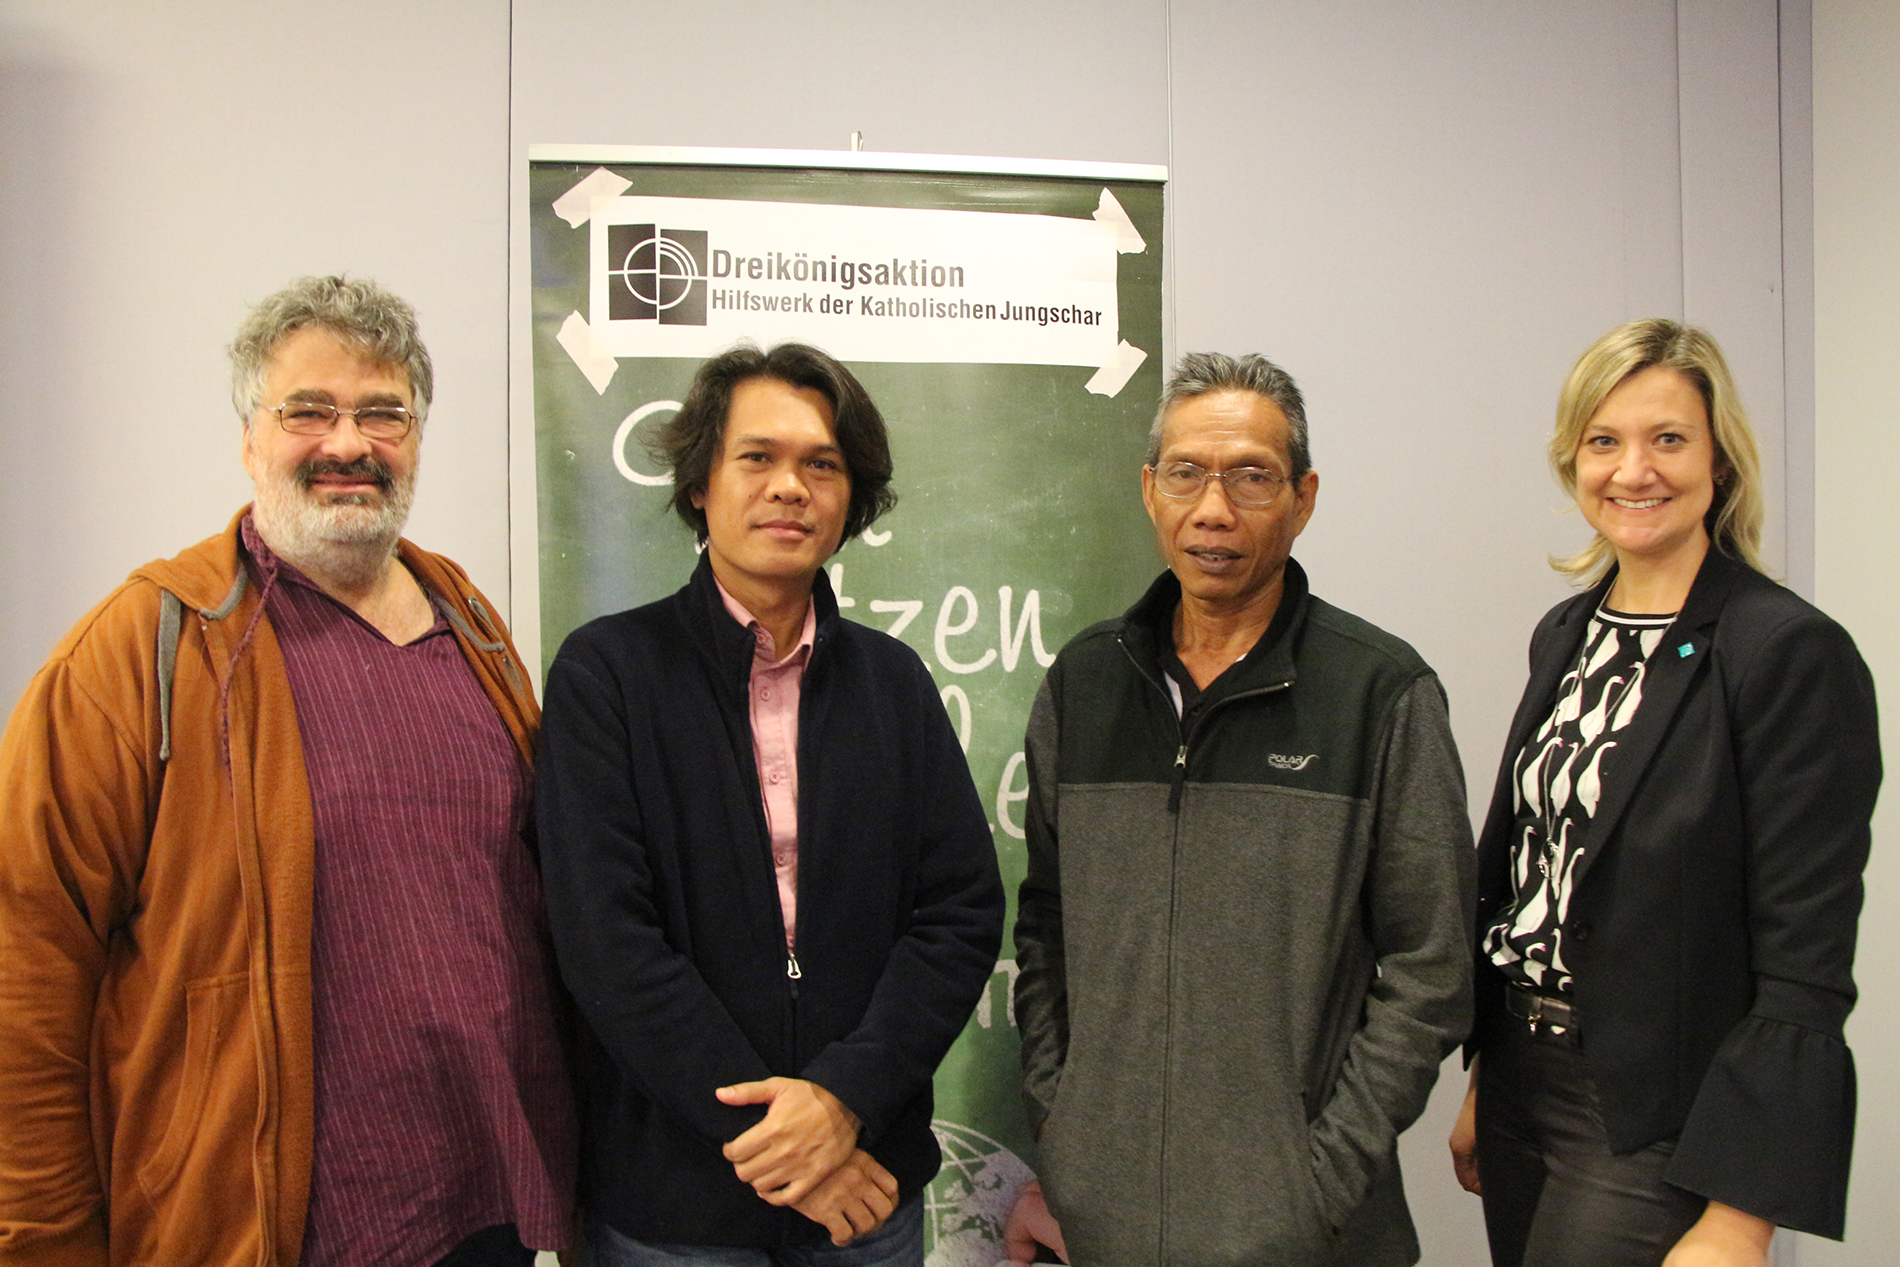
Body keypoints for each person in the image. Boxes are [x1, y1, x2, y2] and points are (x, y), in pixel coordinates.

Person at [0, 276, 577, 1265]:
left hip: (486, 1204)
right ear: (249, 437)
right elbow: (26, 965)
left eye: (383, 413)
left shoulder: (470, 622)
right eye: (307, 410)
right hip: (259, 1225)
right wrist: (42, 1240)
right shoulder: (142, 647)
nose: (348, 443)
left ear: (416, 438)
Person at [535, 342, 1005, 1265]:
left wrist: (843, 1102)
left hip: (866, 1198)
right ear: (700, 484)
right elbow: (606, 940)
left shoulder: (894, 684)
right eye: (757, 456)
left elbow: (958, 914)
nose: (790, 486)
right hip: (678, 1208)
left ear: (850, 499)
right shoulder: (607, 674)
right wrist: (786, 1143)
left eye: (821, 464)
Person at [1010, 352, 1477, 1265]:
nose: (1214, 509)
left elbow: (1434, 965)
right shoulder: (1085, 684)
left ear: (1304, 498)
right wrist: (1066, 1129)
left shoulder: (1380, 691)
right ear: (1150, 489)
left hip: (1310, 1235)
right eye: (1186, 473)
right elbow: (1047, 927)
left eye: (1252, 476)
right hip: (1107, 1226)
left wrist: (1318, 1179)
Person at [1447, 319, 1880, 1267]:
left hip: (1653, 1116)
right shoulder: (1567, 633)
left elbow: (1806, 959)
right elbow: (1540, 876)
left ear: (1719, 460)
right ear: (1574, 461)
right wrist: (1485, 1077)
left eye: (1668, 439)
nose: (1633, 470)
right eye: (1604, 440)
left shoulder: (1786, 651)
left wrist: (1742, 1212)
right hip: (1520, 1084)